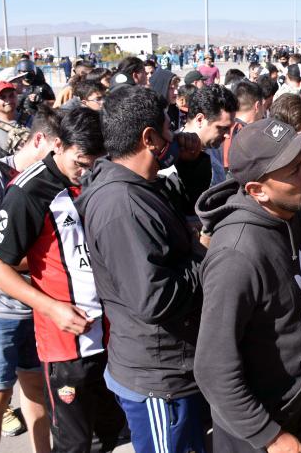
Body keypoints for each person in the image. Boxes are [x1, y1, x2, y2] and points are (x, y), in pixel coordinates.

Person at [0, 107, 126, 453]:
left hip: (114, 335)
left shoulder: (99, 174)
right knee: (74, 443)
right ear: (57, 145)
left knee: (110, 433)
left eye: (94, 162)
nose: (86, 171)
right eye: (80, 162)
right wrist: (52, 308)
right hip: (67, 345)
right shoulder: (27, 192)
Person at [76, 86, 207, 453]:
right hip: (159, 378)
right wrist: (205, 256)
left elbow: (182, 206)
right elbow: (155, 299)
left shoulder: (141, 185)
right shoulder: (122, 204)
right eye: (169, 126)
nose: (175, 134)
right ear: (149, 138)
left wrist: (191, 161)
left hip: (174, 368)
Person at [195, 118, 301, 452]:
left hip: (292, 404)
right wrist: (270, 437)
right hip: (254, 430)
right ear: (256, 190)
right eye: (293, 170)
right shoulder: (236, 256)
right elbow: (212, 369)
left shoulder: (292, 211)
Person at [0, 108, 60, 453]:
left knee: (37, 392)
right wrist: (50, 263)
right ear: (39, 140)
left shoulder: (53, 179)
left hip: (38, 309)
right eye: (57, 148)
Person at [174, 84, 238, 209]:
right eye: (222, 128)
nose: (227, 136)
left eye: (228, 129)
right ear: (200, 119)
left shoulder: (213, 146)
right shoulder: (173, 158)